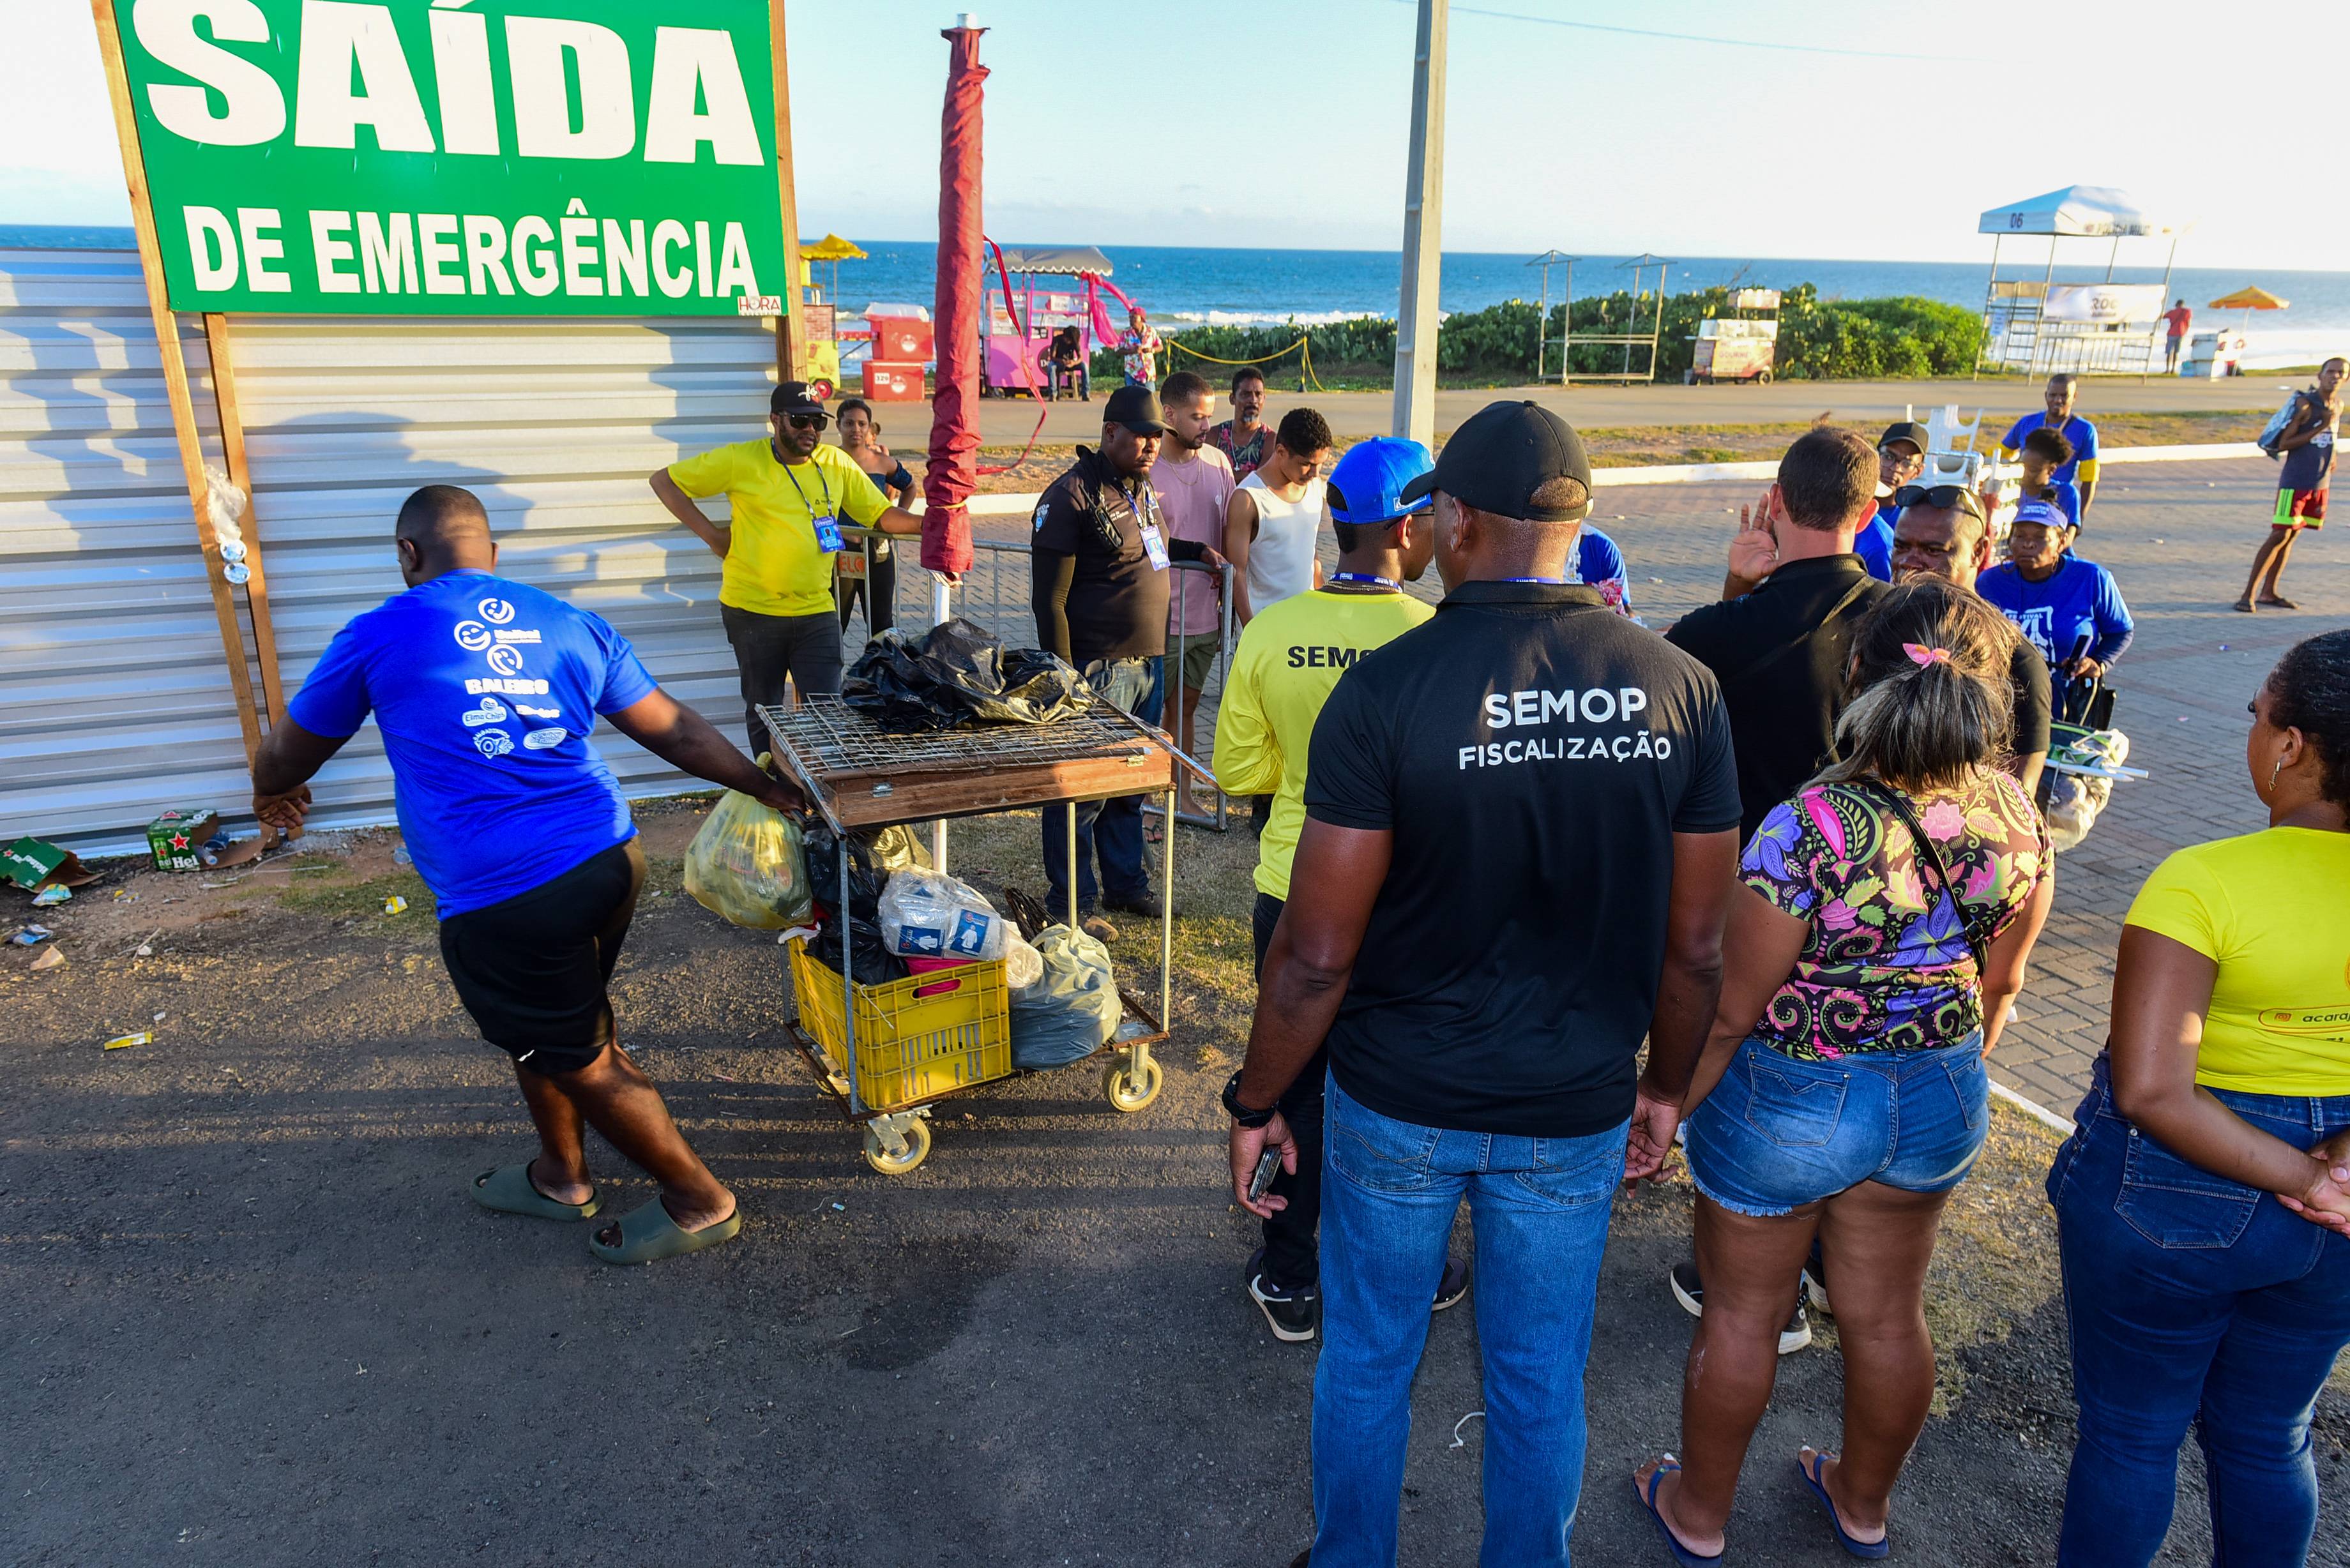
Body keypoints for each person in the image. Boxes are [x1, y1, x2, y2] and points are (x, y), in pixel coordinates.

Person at [1225, 401, 1743, 1568]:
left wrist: (1256, 1103)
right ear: (1577, 522)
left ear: (1450, 521)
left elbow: (1315, 954)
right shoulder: (1679, 690)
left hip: (1399, 1096)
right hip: (1572, 1104)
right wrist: (1665, 1091)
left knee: (1367, 1355)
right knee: (1538, 1371)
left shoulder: (1389, 690)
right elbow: (1697, 947)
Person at [247, 486, 801, 1265]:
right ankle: (561, 1175)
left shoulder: (377, 633)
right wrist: (766, 785)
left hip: (507, 891)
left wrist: (271, 788)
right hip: (609, 859)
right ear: (491, 554)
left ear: (408, 554)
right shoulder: (571, 621)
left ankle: (698, 1199)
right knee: (550, 1032)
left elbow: (287, 756)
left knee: (579, 1052)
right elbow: (672, 726)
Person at [1634, 580, 2054, 1564]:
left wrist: (1664, 1108)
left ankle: (1699, 1514)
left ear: (1857, 676)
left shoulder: (1809, 823)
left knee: (1744, 1312)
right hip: (1939, 1092)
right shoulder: (2018, 816)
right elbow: (2001, 987)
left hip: (1795, 1095)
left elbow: (1733, 1010)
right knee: (1886, 1315)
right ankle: (1861, 1506)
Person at [2046, 629, 2350, 1568]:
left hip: (2184, 1185)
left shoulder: (2203, 880)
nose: (2252, 727)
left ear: (2293, 745)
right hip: (2338, 1209)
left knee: (2133, 1433)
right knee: (2270, 1434)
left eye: (2261, 711)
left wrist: (2309, 1175)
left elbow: (2150, 1088)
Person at [1210, 437, 1466, 1345]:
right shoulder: (1439, 640)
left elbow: (1238, 764)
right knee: (1410, 1090)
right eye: (1433, 514)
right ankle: (1423, 1268)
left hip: (1295, 887)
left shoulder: (1274, 629)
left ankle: (1289, 1277)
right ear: (1407, 526)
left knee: (1292, 1089)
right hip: (1410, 898)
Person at [1029, 385, 1220, 935]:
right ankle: (1073, 900)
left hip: (1147, 666)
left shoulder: (1139, 488)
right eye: (1141, 434)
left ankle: (1125, 885)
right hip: (1095, 670)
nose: (1151, 445)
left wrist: (1193, 551)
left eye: (1157, 435)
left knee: (1130, 787)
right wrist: (1065, 676)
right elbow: (1050, 601)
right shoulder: (1069, 496)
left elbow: (1148, 548)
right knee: (1079, 791)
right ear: (1110, 431)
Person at [650, 381, 921, 750]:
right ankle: (773, 791)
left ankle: (819, 791)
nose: (810, 430)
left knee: (826, 711)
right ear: (775, 420)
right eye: (800, 421)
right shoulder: (741, 459)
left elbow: (880, 515)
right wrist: (713, 537)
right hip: (754, 612)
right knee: (765, 711)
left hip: (817, 610)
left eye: (817, 423)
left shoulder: (836, 463)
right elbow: (665, 481)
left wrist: (929, 523)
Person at [1667, 426, 1890, 841]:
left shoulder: (1710, 632)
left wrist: (1738, 586)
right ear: (1867, 515)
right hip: (1871, 868)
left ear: (1779, 499)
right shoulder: (1907, 620)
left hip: (1753, 870)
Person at [1888, 484, 2054, 795]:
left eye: (1933, 550)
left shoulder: (2016, 659)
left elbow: (2017, 799)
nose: (1910, 561)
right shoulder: (1874, 634)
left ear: (1979, 551)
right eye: (1901, 546)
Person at [1976, 499, 2134, 723]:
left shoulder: (2091, 578)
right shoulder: (1990, 582)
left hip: (2066, 707)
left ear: (2061, 542)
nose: (2028, 544)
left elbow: (2121, 631)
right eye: (2020, 536)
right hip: (2001, 705)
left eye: (2040, 538)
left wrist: (2098, 663)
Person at [1149, 371, 1237, 762]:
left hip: (1206, 619)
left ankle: (1181, 795)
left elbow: (1232, 538)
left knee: (1186, 710)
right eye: (1197, 417)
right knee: (1151, 715)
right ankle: (1149, 803)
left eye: (1209, 416)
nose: (1207, 426)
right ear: (1169, 414)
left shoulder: (1219, 464)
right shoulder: (1147, 469)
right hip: (1160, 621)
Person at [2235, 354, 2344, 614]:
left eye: (2341, 373)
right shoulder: (2306, 405)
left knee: (2292, 535)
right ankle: (2246, 595)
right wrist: (2320, 427)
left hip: (2319, 483)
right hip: (2294, 482)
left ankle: (2269, 592)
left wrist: (2333, 457)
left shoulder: (2338, 405)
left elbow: (2333, 436)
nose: (2335, 376)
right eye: (2331, 371)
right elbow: (2285, 444)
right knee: (2279, 534)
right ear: (2319, 376)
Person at [1225, 407, 1334, 628]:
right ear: (1281, 452)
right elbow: (1236, 572)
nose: (1315, 473)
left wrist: (1325, 606)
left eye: (1320, 464)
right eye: (1306, 464)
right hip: (1266, 626)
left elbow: (1311, 552)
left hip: (1309, 622)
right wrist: (1250, 631)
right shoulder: (1248, 499)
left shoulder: (1314, 487)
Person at [833, 398, 911, 640]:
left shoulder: (882, 462)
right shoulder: (827, 460)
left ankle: (882, 674)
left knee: (881, 624)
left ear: (869, 427)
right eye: (849, 423)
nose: (855, 429)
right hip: (840, 550)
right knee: (835, 621)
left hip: (877, 549)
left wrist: (899, 517)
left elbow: (909, 486)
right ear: (838, 426)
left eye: (861, 424)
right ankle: (829, 676)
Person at [1999, 373, 2100, 520]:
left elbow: (2090, 479)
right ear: (2046, 396)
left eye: (2064, 396)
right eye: (2053, 395)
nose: (2058, 400)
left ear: (2075, 397)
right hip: (2021, 502)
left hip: (2057, 505)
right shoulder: (2027, 423)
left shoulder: (2085, 430)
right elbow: (1999, 455)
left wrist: (2079, 518)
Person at [1856, 421, 1930, 581]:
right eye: (1889, 457)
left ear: (1918, 471)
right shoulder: (1851, 502)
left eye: (1907, 463)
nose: (1895, 468)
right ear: (1876, 455)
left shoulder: (1911, 523)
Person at [1206, 367, 1276, 481]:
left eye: (1258, 394)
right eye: (1246, 394)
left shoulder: (1270, 440)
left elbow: (1261, 481)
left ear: (1264, 398)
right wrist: (1243, 476)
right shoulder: (1214, 435)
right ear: (1232, 399)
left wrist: (1224, 475)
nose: (1253, 400)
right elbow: (1202, 474)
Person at [2017, 426, 2082, 530]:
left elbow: (2071, 530)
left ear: (2051, 470)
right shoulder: (2013, 491)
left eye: (2033, 470)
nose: (2024, 473)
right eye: (2021, 466)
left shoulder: (2066, 493)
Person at [1119, 308, 1162, 388]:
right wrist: (1132, 351)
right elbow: (1118, 350)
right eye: (1130, 317)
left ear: (1141, 318)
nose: (1131, 320)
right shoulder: (1125, 333)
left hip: (1148, 373)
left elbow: (1160, 346)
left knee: (1149, 398)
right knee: (1132, 399)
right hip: (1131, 373)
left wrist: (1151, 350)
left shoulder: (1151, 331)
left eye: (1134, 317)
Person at [1047, 325, 1089, 402]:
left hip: (1071, 363)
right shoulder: (1057, 340)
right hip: (1059, 363)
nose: (1068, 342)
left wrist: (1074, 363)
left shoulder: (1074, 342)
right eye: (1067, 339)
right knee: (1051, 366)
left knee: (1084, 366)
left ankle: (1085, 394)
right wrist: (1061, 360)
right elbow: (1052, 357)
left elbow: (1080, 357)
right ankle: (1053, 394)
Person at [2161, 298, 2192, 373]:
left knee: (2169, 352)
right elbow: (2189, 323)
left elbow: (2163, 316)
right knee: (2176, 352)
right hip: (2180, 333)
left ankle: (2167, 369)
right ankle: (2173, 369)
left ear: (2177, 305)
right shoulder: (2187, 311)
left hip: (2171, 333)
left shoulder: (2172, 312)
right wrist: (2186, 330)